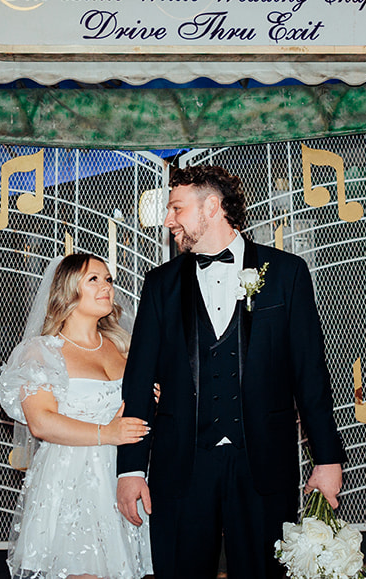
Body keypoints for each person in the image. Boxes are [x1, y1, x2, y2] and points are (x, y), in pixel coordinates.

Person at [117, 165, 345, 579]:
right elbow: (137, 382)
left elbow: (310, 374)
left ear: (212, 206)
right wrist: (131, 468)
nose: (168, 220)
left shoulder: (287, 274)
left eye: (176, 208)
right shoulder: (159, 285)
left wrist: (327, 459)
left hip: (262, 464)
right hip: (182, 466)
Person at [0, 253, 152, 579]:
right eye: (93, 279)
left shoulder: (122, 346)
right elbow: (41, 422)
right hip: (73, 478)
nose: (106, 287)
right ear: (68, 289)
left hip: (124, 472)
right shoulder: (41, 351)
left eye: (108, 279)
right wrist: (106, 433)